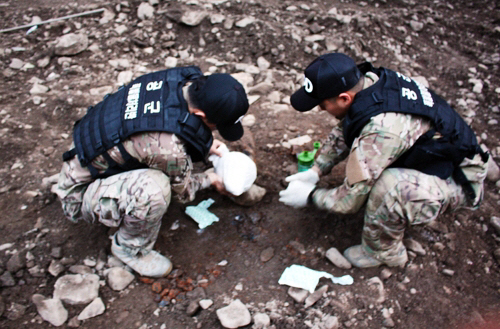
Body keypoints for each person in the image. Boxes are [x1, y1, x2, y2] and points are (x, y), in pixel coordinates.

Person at [279, 53, 489, 268]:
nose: (320, 109)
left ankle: (383, 252)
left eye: (322, 105)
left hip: (458, 179)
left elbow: (348, 202)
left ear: (344, 98)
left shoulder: (383, 128)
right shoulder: (369, 83)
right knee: (369, 165)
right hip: (437, 152)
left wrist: (311, 196)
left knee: (391, 187)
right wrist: (317, 169)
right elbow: (348, 127)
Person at [54, 66, 258, 278]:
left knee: (164, 162)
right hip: (79, 193)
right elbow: (184, 192)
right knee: (155, 189)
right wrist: (210, 178)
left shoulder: (178, 79)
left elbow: (166, 125)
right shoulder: (166, 147)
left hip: (85, 152)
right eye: (217, 126)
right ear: (200, 114)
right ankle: (130, 249)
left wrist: (203, 144)